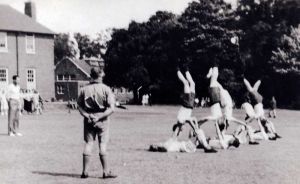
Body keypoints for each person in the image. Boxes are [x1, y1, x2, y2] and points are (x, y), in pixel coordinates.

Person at [77, 67, 117, 179]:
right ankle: (106, 172)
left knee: (89, 143)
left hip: (89, 119)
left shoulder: (84, 89)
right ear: (101, 75)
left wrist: (87, 115)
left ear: (91, 75)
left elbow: (79, 106)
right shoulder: (106, 89)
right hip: (102, 120)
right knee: (102, 145)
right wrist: (100, 117)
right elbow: (111, 109)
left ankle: (85, 171)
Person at [172, 66, 196, 138]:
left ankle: (177, 69)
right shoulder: (181, 122)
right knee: (192, 83)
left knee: (186, 83)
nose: (182, 130)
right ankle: (186, 69)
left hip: (187, 103)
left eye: (180, 130)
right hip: (190, 104)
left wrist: (195, 128)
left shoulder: (180, 121)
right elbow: (192, 119)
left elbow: (188, 120)